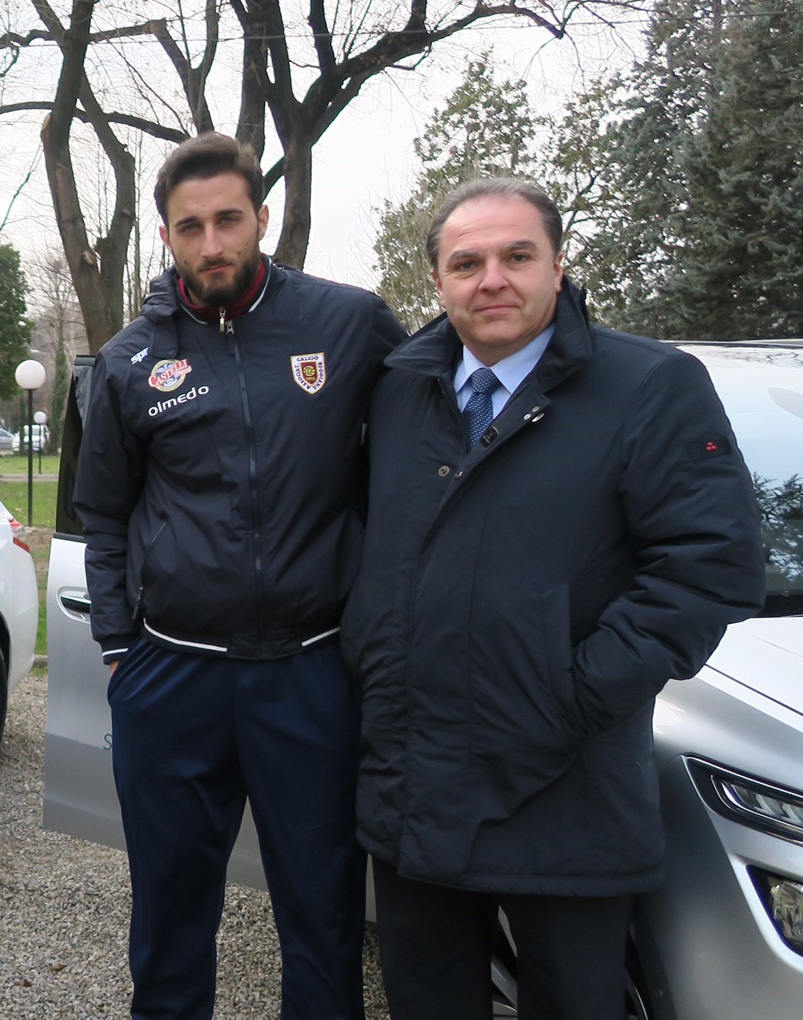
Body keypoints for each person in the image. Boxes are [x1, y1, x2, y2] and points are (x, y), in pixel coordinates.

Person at [343, 177, 766, 1020]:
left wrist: (568, 695)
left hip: (563, 792)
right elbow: (368, 545)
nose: (491, 278)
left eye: (516, 256)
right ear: (439, 282)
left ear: (558, 265)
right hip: (414, 790)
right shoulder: (398, 391)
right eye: (467, 262)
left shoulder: (650, 386)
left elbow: (709, 567)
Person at [74, 132, 406, 1020]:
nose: (212, 242)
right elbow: (101, 515)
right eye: (191, 227)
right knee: (173, 910)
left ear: (262, 217)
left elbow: (436, 430)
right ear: (167, 237)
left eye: (229, 219)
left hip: (311, 670)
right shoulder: (128, 362)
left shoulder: (348, 322)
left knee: (322, 906)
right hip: (172, 677)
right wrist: (118, 646)